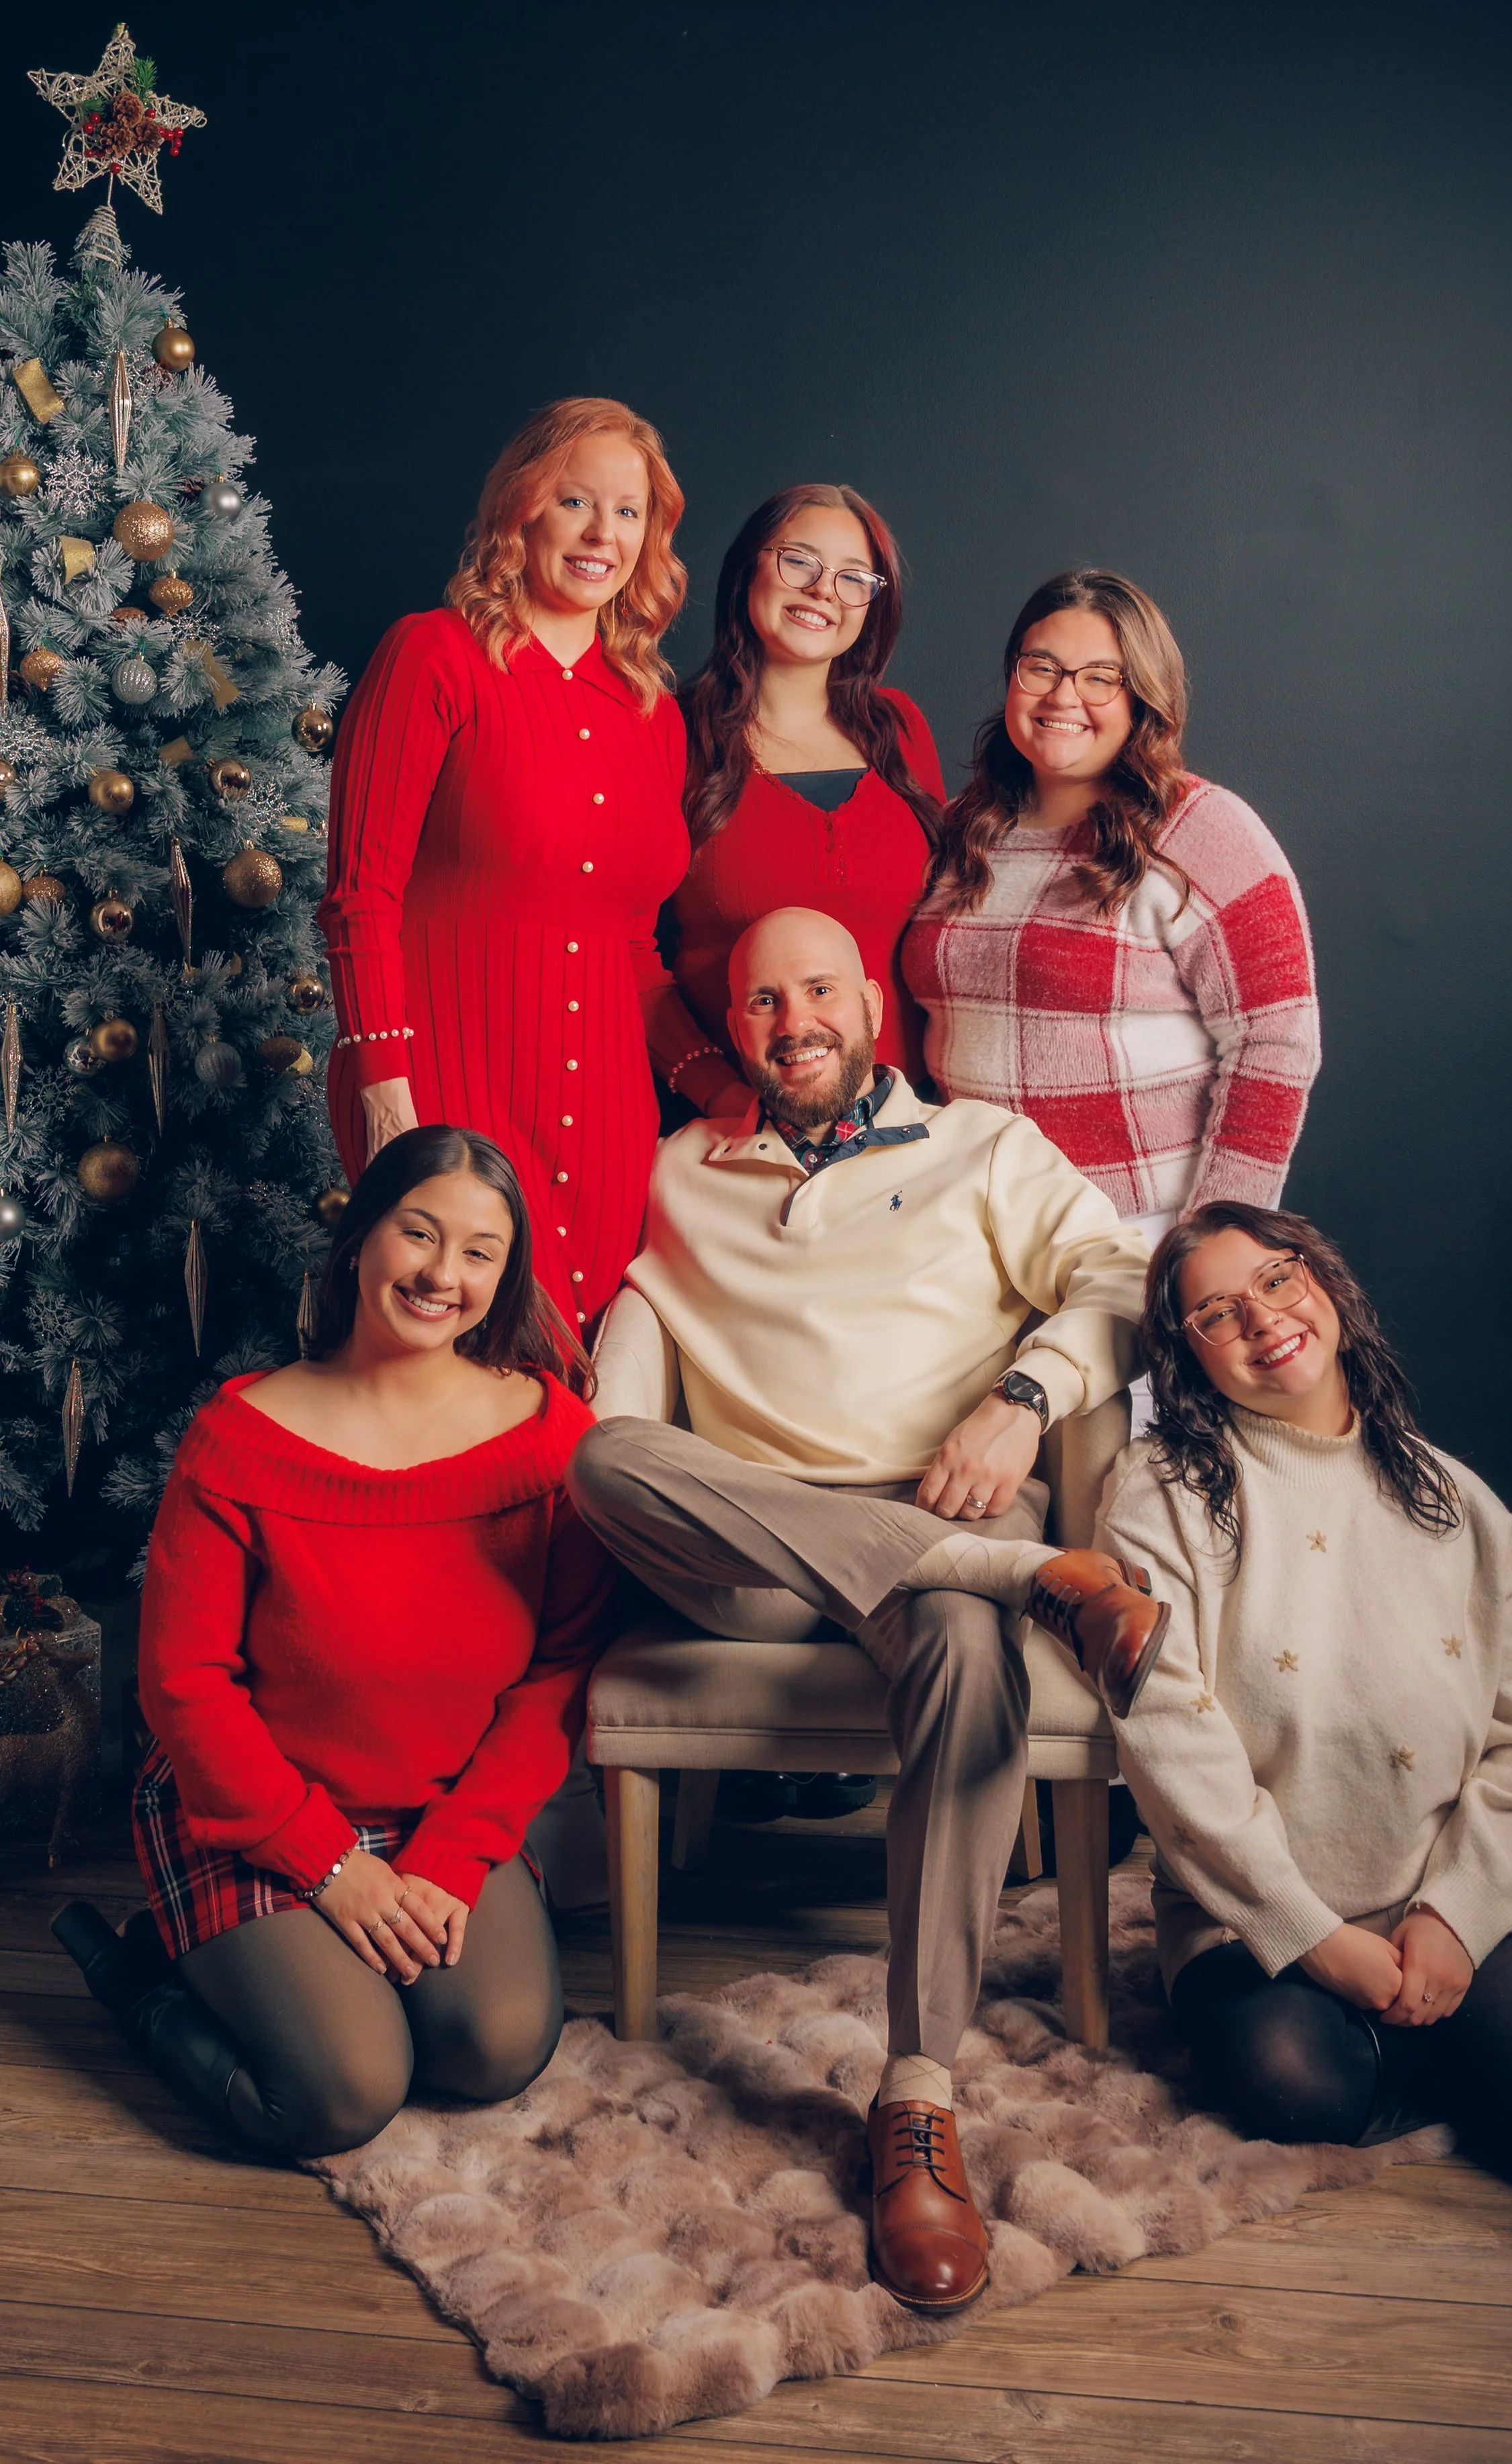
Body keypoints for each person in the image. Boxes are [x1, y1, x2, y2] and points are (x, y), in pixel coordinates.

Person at [567, 905, 1169, 2314]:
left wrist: (1023, 1404)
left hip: (944, 1515)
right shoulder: (677, 1173)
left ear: (868, 1007)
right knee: (604, 1455)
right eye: (763, 1002)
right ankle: (1033, 1586)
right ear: (734, 1031)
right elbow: (612, 1376)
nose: (794, 1024)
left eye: (818, 990)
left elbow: (1123, 1278)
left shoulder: (983, 1148)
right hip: (751, 1561)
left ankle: (915, 2100)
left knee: (960, 1641)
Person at [1064, 1201, 1512, 2199]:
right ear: (1190, 1356)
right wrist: (1311, 1933)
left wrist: (1457, 1916)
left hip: (1447, 1885)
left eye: (1275, 1280)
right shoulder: (1162, 1488)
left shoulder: (1460, 1501)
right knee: (1298, 2085)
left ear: (1325, 1285)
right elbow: (1172, 1743)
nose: (1263, 1319)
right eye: (1217, 1314)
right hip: (1247, 1913)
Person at [54, 1128, 613, 2162]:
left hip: (442, 1810)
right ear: (361, 1239)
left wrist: (451, 1854)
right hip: (259, 1809)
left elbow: (559, 1672)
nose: (444, 1274)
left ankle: (308, 1970)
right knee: (342, 2093)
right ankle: (137, 1979)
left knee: (492, 2048)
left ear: (506, 1273)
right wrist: (331, 1866)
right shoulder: (242, 1439)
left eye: (480, 1252)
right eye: (419, 1233)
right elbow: (185, 1686)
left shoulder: (550, 1437)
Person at [318, 397, 690, 1332]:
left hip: (608, 1115)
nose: (604, 532)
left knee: (571, 1404)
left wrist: (720, 1089)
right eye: (576, 501)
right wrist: (386, 1093)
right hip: (445, 1089)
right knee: (443, 1364)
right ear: (521, 509)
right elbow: (361, 899)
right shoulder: (432, 657)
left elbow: (635, 944)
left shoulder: (653, 713)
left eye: (630, 511)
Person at [903, 568, 1321, 1274]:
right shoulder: (961, 827)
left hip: (1138, 1235)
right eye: (1041, 667)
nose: (1065, 696)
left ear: (1142, 698)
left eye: (1102, 676)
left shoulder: (1203, 831)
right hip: (974, 1229)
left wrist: (1218, 1240)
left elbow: (1275, 1042)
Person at [648, 482, 944, 1127]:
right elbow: (624, 949)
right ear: (750, 566)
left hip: (909, 1126)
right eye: (800, 562)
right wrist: (716, 1092)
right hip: (742, 1127)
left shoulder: (901, 730)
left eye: (851, 578)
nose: (822, 591)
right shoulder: (668, 735)